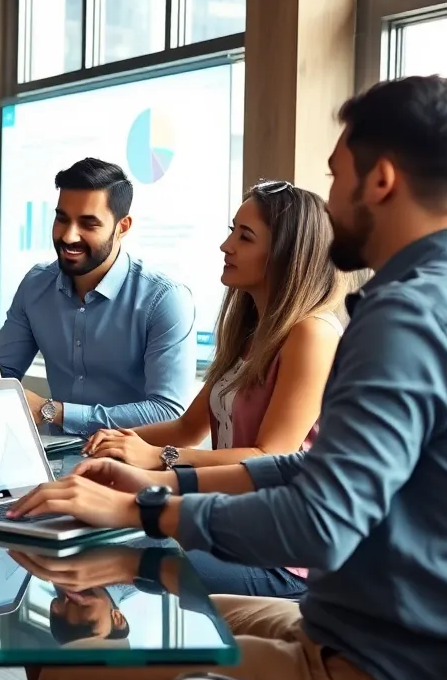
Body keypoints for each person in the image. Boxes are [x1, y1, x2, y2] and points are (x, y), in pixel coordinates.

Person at [12, 76, 447, 680]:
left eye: (337, 175)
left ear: (381, 181)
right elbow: (311, 467)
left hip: (385, 670)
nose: (333, 198)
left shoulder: (410, 316)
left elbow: (319, 522)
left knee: (74, 673)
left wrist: (143, 511)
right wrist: (166, 484)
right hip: (375, 631)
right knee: (147, 612)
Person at [85, 181, 348, 597]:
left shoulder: (311, 334)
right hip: (238, 526)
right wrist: (106, 444)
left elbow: (270, 458)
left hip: (285, 556)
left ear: (287, 253)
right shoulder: (253, 333)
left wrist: (156, 458)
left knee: (123, 556)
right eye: (232, 230)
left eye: (244, 237)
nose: (226, 246)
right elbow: (187, 428)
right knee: (90, 540)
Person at [0, 158, 195, 435]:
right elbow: (0, 372)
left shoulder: (164, 299)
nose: (69, 236)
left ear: (123, 227)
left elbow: (167, 411)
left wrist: (55, 412)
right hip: (52, 460)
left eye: (88, 224)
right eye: (62, 219)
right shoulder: (36, 285)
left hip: (132, 467)